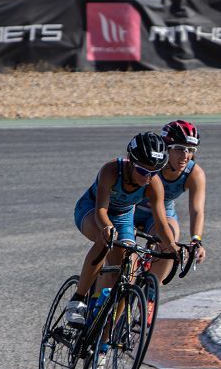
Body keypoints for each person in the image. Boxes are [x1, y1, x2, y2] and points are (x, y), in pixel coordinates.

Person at [64, 132, 177, 327]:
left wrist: (173, 247)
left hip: (124, 217)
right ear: (131, 162)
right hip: (92, 210)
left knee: (128, 272)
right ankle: (78, 299)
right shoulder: (111, 170)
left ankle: (102, 343)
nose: (148, 177)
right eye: (143, 171)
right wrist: (107, 227)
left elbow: (160, 223)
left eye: (154, 172)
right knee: (105, 239)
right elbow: (101, 209)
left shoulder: (153, 183)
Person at [133, 120, 208, 285]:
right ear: (166, 149)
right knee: (124, 252)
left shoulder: (194, 174)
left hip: (162, 213)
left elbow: (197, 210)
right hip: (132, 209)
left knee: (170, 240)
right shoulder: (151, 164)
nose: (185, 156)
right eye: (179, 149)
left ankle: (149, 293)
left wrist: (196, 239)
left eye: (190, 150)